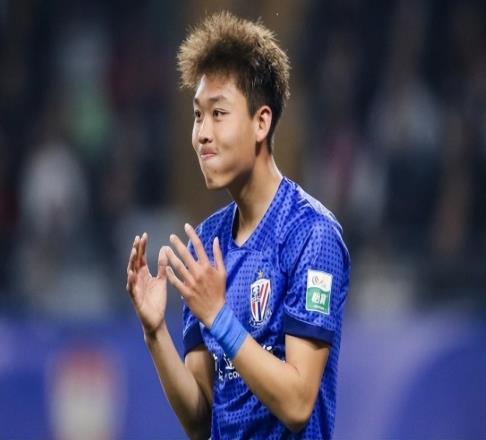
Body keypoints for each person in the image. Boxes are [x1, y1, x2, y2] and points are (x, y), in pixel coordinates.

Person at [126, 11, 350, 440]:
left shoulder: (311, 235)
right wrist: (155, 332)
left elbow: (298, 404)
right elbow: (200, 420)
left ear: (261, 122)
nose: (202, 134)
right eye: (198, 115)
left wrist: (218, 316)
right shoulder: (207, 242)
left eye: (218, 113)